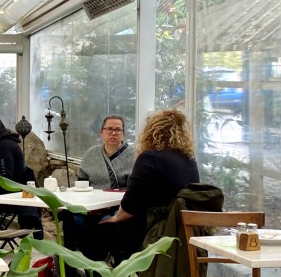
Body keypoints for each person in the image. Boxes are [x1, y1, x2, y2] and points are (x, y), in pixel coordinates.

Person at [81, 110, 201, 268]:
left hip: (153, 229)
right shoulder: (188, 159)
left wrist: (115, 218)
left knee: (93, 232)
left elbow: (131, 204)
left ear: (151, 131)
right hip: (180, 228)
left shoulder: (149, 157)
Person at [78, 115, 135, 190]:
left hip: (123, 199)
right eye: (109, 129)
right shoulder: (91, 153)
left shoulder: (134, 154)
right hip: (93, 198)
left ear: (123, 134)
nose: (113, 133)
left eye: (118, 130)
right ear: (101, 133)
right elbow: (81, 181)